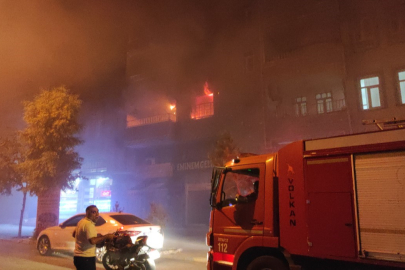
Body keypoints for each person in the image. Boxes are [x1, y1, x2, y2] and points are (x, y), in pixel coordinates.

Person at [73, 205, 114, 270]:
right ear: (87, 213)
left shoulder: (82, 221)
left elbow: (74, 234)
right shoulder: (89, 224)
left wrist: (90, 235)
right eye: (94, 212)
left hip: (78, 257)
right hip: (86, 258)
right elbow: (93, 241)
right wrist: (107, 236)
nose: (97, 214)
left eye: (97, 212)